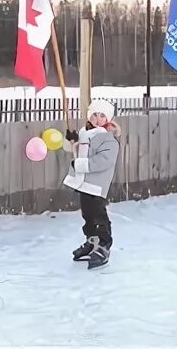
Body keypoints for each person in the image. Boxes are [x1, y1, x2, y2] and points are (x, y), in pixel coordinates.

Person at [63, 99, 121, 269]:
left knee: (98, 215)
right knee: (87, 215)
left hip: (97, 183)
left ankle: (104, 244)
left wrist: (79, 165)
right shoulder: (84, 133)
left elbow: (103, 161)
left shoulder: (108, 139)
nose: (98, 118)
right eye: (95, 115)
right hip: (83, 183)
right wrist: (71, 140)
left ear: (107, 119)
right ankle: (91, 240)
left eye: (102, 116)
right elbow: (72, 150)